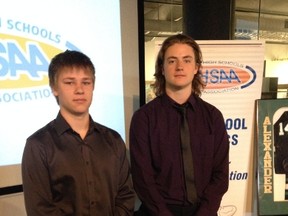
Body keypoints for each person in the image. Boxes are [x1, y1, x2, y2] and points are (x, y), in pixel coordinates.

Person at [22, 50, 135, 216]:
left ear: (93, 86)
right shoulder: (38, 146)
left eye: (86, 82)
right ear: (54, 88)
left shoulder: (113, 140)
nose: (80, 90)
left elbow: (125, 197)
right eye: (69, 82)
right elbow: (40, 210)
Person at [129, 34, 229, 216]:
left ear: (196, 67)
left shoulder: (213, 117)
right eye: (172, 61)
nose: (180, 67)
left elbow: (221, 175)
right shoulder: (143, 118)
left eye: (187, 60)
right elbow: (143, 179)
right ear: (162, 68)